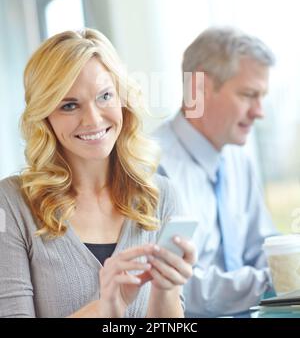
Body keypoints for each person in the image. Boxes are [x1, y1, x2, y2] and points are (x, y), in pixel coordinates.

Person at [0, 29, 195, 318]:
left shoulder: (161, 195)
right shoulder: (11, 204)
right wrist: (106, 307)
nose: (93, 119)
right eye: (69, 105)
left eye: (105, 96)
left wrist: (166, 289)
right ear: (45, 117)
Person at [154, 26, 278, 317]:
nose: (259, 111)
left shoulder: (239, 160)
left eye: (262, 96)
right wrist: (270, 282)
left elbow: (262, 249)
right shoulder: (152, 166)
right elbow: (170, 283)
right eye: (249, 95)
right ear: (200, 89)